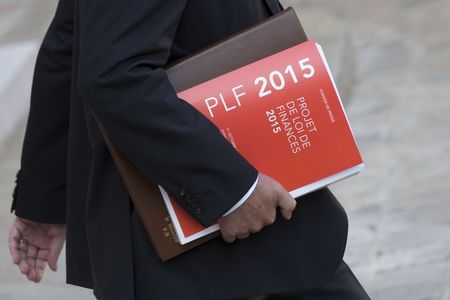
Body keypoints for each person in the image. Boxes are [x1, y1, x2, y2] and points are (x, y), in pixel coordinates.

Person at [8, 0, 371, 299]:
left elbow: (70, 40)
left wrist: (45, 201)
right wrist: (232, 192)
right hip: (193, 234)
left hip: (247, 220)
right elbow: (114, 76)